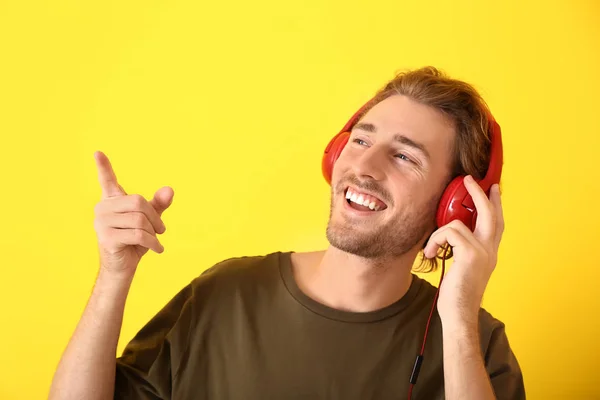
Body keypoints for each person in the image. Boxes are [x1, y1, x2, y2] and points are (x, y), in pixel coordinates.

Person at [49, 66, 525, 400]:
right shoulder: (223, 294)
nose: (361, 165)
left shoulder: (477, 345)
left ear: (455, 207)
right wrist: (114, 275)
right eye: (359, 139)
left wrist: (458, 324)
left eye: (404, 156)